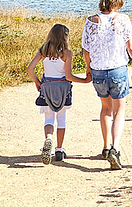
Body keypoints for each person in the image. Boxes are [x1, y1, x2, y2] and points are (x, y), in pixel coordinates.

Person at [81, 0, 132, 170]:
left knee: (105, 109)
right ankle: (115, 149)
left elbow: (86, 50)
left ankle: (104, 146)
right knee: (119, 110)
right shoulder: (123, 19)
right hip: (118, 69)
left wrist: (88, 69)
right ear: (117, 1)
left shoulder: (90, 21)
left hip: (98, 71)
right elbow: (130, 46)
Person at [27, 23, 87, 164]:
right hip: (62, 88)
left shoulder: (43, 50)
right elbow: (69, 76)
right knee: (61, 119)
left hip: (47, 87)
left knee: (48, 119)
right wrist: (84, 80)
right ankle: (59, 150)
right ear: (65, 37)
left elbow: (30, 69)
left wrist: (37, 82)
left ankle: (48, 139)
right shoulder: (66, 53)